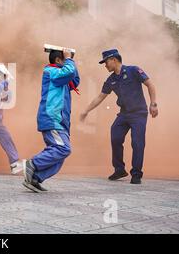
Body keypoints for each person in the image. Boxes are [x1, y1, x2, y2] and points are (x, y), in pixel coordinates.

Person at [80, 49, 158, 184]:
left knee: (137, 143)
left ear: (114, 60)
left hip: (139, 113)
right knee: (115, 136)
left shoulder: (134, 70)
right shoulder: (111, 80)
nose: (105, 65)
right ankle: (119, 169)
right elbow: (100, 97)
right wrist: (86, 111)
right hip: (124, 114)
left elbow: (150, 84)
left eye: (106, 62)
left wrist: (153, 104)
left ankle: (136, 174)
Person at [23, 48, 80, 192]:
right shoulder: (51, 71)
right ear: (58, 60)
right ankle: (33, 164)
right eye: (65, 60)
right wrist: (69, 60)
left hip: (61, 122)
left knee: (58, 156)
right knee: (63, 148)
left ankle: (34, 178)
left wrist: (71, 59)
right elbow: (69, 72)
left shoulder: (63, 78)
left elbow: (75, 79)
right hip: (52, 118)